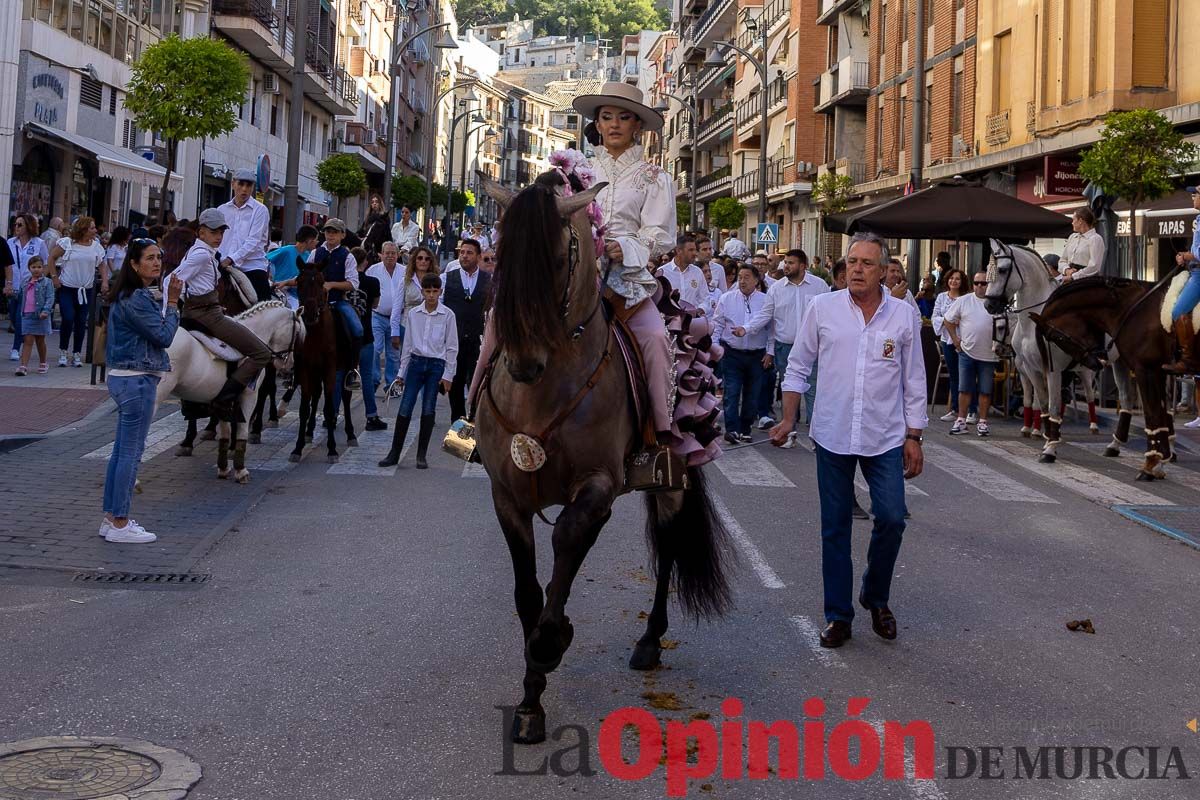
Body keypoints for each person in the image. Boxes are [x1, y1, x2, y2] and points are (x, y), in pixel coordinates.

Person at [770, 232, 927, 648]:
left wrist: (915, 434)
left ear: (884, 272)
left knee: (892, 517)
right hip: (833, 433)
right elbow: (798, 365)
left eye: (866, 264)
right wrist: (788, 418)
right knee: (835, 529)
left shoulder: (902, 316)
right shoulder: (823, 308)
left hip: (885, 436)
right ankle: (838, 616)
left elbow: (914, 378)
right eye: (852, 262)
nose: (856, 269)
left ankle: (875, 598)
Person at [100, 238, 183, 543]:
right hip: (137, 379)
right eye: (149, 258)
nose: (157, 263)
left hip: (126, 377)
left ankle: (111, 518)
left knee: (121, 451)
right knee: (131, 455)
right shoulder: (137, 298)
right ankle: (121, 523)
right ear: (133, 264)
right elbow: (163, 336)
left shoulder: (131, 295)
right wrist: (173, 303)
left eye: (159, 257)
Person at [170, 208, 273, 417]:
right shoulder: (200, 255)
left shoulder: (205, 252)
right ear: (201, 233)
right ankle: (224, 401)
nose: (219, 237)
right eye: (214, 232)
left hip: (206, 307)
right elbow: (172, 280)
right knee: (262, 353)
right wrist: (171, 304)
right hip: (207, 315)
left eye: (221, 233)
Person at [740, 248, 829, 441]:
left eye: (791, 263)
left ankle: (817, 438)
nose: (786, 266)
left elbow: (828, 315)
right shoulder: (776, 288)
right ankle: (790, 432)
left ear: (803, 266)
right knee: (790, 388)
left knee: (812, 390)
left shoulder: (819, 286)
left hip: (812, 347)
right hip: (785, 347)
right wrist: (746, 328)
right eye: (785, 262)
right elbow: (766, 315)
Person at [378, 273, 458, 469]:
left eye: (435, 291)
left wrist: (449, 374)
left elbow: (452, 347)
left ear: (440, 291)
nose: (431, 295)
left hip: (435, 365)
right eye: (428, 291)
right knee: (406, 406)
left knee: (428, 407)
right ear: (422, 292)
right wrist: (400, 373)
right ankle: (394, 453)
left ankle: (421, 455)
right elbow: (408, 345)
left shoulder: (448, 315)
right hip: (415, 363)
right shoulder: (414, 314)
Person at [714, 264, 770, 443]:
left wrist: (770, 352)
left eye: (747, 277)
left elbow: (771, 329)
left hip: (756, 355)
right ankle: (732, 429)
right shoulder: (726, 298)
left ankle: (746, 428)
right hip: (732, 353)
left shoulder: (765, 300)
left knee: (752, 394)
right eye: (740, 277)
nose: (742, 281)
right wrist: (715, 347)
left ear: (756, 280)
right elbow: (718, 324)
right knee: (731, 392)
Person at [308, 218, 364, 390]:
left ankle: (352, 370)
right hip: (315, 303)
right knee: (294, 324)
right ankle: (293, 367)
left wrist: (332, 285)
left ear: (342, 235)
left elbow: (353, 283)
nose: (330, 235)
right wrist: (286, 283)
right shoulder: (315, 253)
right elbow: (305, 275)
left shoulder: (347, 257)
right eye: (328, 232)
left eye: (334, 232)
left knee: (357, 329)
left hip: (337, 301)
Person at [942, 271, 999, 437]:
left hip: (989, 353)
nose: (979, 286)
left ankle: (982, 422)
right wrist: (956, 340)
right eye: (976, 283)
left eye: (983, 283)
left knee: (985, 390)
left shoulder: (996, 302)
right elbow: (948, 320)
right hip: (967, 351)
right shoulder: (964, 300)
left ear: (989, 284)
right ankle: (960, 420)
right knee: (964, 388)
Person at [441, 237, 491, 422]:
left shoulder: (488, 280)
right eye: (462, 252)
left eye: (469, 253)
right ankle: (457, 422)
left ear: (478, 257)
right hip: (456, 340)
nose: (464, 256)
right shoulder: (447, 278)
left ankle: (476, 421)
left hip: (478, 342)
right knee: (455, 383)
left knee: (477, 385)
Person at [47, 216, 106, 368]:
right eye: (92, 228)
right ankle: (63, 350)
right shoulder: (67, 243)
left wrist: (105, 281)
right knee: (68, 317)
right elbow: (51, 258)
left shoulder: (96, 246)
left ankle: (77, 353)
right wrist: (54, 277)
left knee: (81, 321)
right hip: (67, 287)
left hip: (86, 290)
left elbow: (102, 265)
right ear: (84, 229)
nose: (95, 231)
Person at [217, 168, 273, 301]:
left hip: (252, 265)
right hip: (222, 264)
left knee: (263, 306)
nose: (244, 189)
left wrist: (230, 259)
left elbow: (253, 241)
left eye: (248, 185)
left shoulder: (260, 210)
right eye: (241, 184)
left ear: (252, 187)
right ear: (233, 184)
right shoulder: (221, 210)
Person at [1163, 186, 1200, 373]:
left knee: (1178, 310)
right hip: (1193, 271)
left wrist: (1187, 256)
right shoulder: (1198, 219)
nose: (1193, 197)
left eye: (1196, 194)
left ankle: (1187, 359)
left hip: (1199, 275)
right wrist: (1185, 257)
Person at [5, 214, 51, 361]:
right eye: (15, 225)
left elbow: (46, 262)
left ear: (28, 227)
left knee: (20, 317)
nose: (16, 228)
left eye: (20, 225)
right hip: (13, 285)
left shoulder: (38, 243)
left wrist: (41, 279)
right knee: (12, 315)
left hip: (30, 287)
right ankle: (22, 341)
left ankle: (15, 348)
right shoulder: (10, 242)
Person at [931, 268, 972, 422]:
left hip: (964, 340)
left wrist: (956, 321)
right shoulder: (942, 297)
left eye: (957, 279)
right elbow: (935, 316)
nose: (954, 281)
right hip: (947, 339)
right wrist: (948, 321)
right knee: (954, 375)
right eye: (952, 278)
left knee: (967, 375)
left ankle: (971, 410)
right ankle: (955, 409)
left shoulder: (967, 298)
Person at [354, 249, 386, 431]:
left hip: (345, 337)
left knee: (339, 374)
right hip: (365, 334)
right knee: (366, 376)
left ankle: (332, 415)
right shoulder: (372, 282)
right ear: (365, 262)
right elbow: (375, 304)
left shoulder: (345, 283)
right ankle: (371, 416)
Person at [366, 242, 405, 389]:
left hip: (398, 318)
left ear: (398, 255)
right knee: (375, 348)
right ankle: (375, 379)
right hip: (377, 315)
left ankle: (391, 384)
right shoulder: (373, 270)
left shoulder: (405, 271)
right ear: (381, 254)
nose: (390, 256)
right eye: (387, 253)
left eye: (393, 253)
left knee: (394, 354)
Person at [14, 256, 53, 375]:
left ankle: (43, 362)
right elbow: (21, 296)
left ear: (43, 268)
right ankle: (23, 366)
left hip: (41, 315)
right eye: (33, 267)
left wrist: (46, 310)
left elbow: (50, 297)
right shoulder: (25, 281)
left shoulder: (47, 282)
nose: (36, 270)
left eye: (39, 267)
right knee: (27, 340)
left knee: (40, 340)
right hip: (27, 315)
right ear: (29, 268)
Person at [266, 224, 319, 309]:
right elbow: (265, 259)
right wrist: (269, 277)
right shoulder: (286, 250)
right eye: (316, 240)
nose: (317, 242)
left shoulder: (309, 256)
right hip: (281, 292)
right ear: (309, 241)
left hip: (299, 295)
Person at [656, 234, 708, 310]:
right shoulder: (662, 272)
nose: (695, 253)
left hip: (693, 319)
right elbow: (657, 300)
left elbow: (705, 298)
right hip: (670, 319)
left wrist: (701, 309)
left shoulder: (697, 272)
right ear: (678, 251)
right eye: (690, 250)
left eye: (695, 250)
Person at [1059, 207, 1104, 283]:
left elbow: (1094, 266)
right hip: (1068, 279)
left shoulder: (1096, 239)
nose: (1072, 222)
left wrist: (1074, 276)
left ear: (1080, 221)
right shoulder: (1072, 237)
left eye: (1073, 219)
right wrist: (1067, 270)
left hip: (1086, 282)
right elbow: (1062, 260)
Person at [104, 226, 131, 295]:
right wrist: (115, 273)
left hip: (123, 274)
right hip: (114, 276)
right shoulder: (113, 247)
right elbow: (110, 261)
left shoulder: (125, 247)